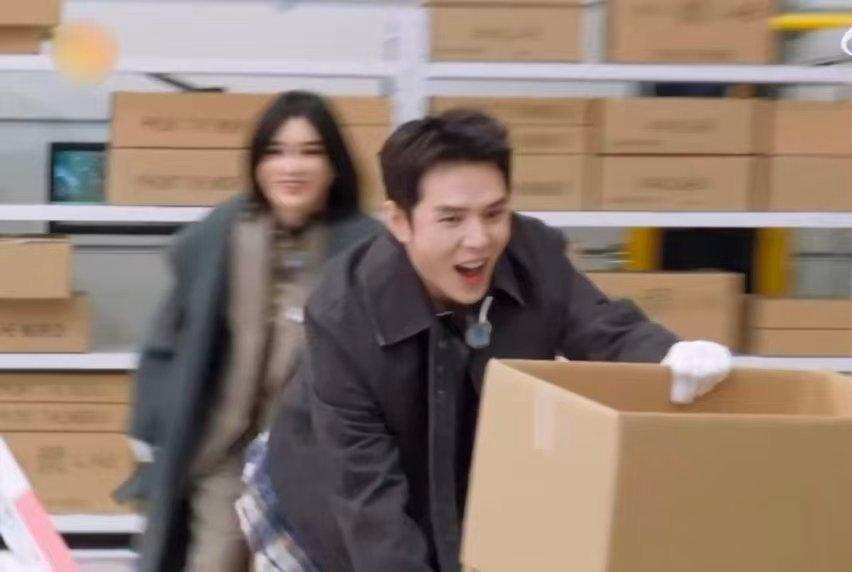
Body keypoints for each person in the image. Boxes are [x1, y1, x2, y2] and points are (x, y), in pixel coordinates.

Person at [262, 109, 732, 572]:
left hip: (455, 488)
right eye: (451, 219)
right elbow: (367, 495)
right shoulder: (343, 313)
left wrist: (668, 353)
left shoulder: (533, 255)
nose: (479, 240)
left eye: (494, 213)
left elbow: (601, 326)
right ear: (400, 221)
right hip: (329, 504)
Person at [117, 90, 381, 572]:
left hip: (314, 466)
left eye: (310, 152)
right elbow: (167, 342)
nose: (292, 167)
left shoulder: (366, 251)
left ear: (335, 166)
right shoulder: (220, 235)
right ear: (257, 163)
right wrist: (149, 434)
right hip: (224, 452)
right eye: (276, 152)